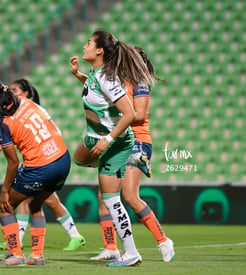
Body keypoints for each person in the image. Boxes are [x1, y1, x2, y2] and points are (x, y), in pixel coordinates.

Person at [69, 29, 154, 267]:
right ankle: (130, 252)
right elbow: (96, 89)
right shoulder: (98, 74)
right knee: (83, 163)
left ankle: (131, 253)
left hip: (115, 140)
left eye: (88, 43)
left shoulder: (108, 77)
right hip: (102, 138)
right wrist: (77, 75)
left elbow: (130, 114)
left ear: (99, 50)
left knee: (110, 198)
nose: (84, 46)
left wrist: (107, 140)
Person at [86, 47, 175, 262]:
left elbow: (140, 114)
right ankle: (111, 248)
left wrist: (117, 114)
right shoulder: (116, 81)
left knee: (130, 197)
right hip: (119, 141)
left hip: (137, 141)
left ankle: (164, 241)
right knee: (103, 197)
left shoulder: (140, 82)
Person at [0, 76, 71, 266]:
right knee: (35, 205)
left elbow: (13, 162)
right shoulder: (25, 101)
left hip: (41, 166)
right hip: (63, 159)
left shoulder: (2, 123)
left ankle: (16, 255)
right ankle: (37, 255)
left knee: (4, 205)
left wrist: (4, 192)